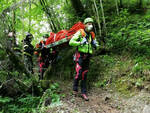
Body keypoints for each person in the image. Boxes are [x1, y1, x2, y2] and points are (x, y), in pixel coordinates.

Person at [69, 17, 99, 101]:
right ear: (85, 25)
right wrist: (80, 43)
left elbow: (96, 44)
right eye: (89, 24)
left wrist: (95, 44)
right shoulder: (80, 32)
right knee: (79, 73)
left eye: (91, 24)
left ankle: (83, 92)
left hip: (88, 56)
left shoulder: (92, 35)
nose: (91, 25)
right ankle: (75, 89)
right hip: (80, 56)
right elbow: (71, 42)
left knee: (84, 74)